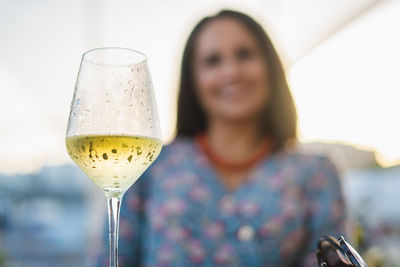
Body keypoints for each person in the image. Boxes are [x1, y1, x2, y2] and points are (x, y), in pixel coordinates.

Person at [95, 9, 345, 266]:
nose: (231, 71)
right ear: (194, 79)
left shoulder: (316, 174)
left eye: (244, 55)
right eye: (213, 61)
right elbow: (110, 258)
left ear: (270, 66)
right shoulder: (148, 164)